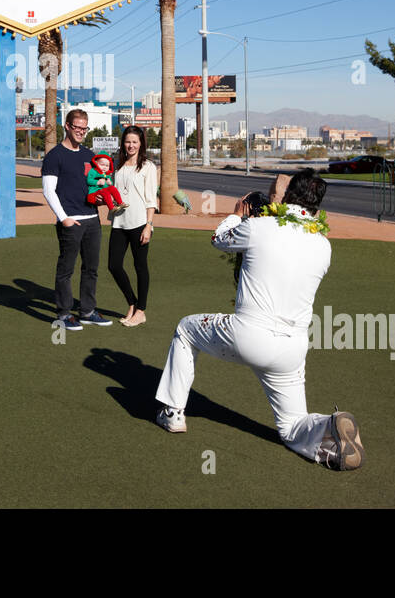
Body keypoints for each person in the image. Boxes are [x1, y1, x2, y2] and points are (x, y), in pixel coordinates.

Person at [152, 170, 365, 471]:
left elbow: (219, 240)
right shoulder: (323, 245)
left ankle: (173, 413)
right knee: (291, 427)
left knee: (186, 329)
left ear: (289, 195)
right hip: (293, 347)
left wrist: (239, 215)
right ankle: (328, 433)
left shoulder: (259, 227)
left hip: (249, 334)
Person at [41, 109, 113, 332]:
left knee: (91, 269)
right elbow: (48, 191)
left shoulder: (88, 155)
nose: (81, 131)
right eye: (77, 127)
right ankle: (63, 313)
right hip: (71, 222)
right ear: (67, 126)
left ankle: (87, 312)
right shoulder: (55, 155)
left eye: (84, 128)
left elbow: (92, 186)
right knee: (66, 270)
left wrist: (101, 199)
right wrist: (64, 219)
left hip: (93, 220)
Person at [109, 125, 156, 327]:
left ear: (141, 144)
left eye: (135, 142)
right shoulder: (116, 165)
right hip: (119, 222)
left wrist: (149, 225)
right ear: (123, 143)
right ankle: (132, 303)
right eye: (128, 141)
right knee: (113, 265)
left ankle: (141, 311)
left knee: (140, 267)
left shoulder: (148, 167)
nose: (131, 145)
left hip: (139, 223)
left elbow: (151, 199)